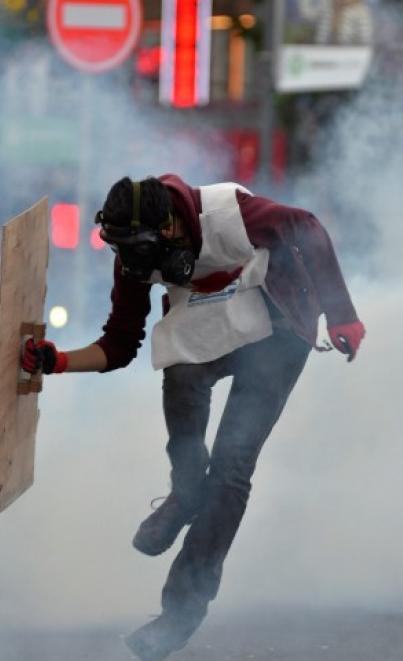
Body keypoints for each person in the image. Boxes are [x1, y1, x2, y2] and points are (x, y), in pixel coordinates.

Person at [22, 174, 365, 661]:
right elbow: (120, 343)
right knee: (180, 376)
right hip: (213, 327)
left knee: (230, 470)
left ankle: (180, 614)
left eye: (145, 249)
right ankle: (185, 492)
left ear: (169, 225)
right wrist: (57, 361)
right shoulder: (133, 262)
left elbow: (305, 225)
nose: (141, 265)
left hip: (277, 329)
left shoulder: (229, 213)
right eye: (125, 252)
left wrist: (340, 312)